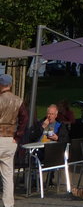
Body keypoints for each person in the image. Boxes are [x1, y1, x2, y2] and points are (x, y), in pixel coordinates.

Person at [0, 73, 28, 207]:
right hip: (11, 139)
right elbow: (24, 119)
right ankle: (8, 204)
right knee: (8, 174)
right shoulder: (18, 100)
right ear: (10, 85)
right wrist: (18, 136)